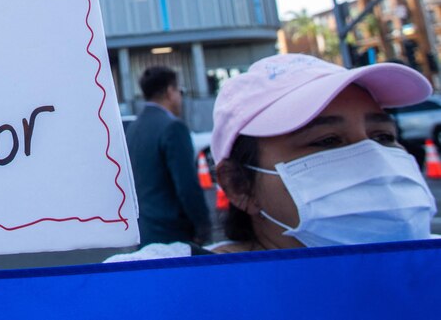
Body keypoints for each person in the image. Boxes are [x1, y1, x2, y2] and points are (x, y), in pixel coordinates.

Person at [211, 53, 437, 253]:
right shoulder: (191, 287)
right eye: (328, 140)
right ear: (238, 185)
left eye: (383, 137)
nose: (375, 157)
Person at [126, 66, 211, 246]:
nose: (180, 98)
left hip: (143, 232)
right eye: (179, 91)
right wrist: (202, 225)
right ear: (170, 91)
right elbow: (187, 185)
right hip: (173, 234)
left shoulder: (133, 128)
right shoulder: (173, 128)